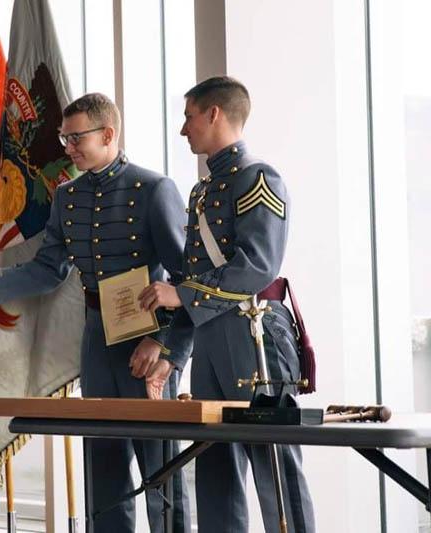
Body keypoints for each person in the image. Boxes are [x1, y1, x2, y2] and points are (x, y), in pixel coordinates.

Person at [0, 93, 190, 533]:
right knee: (103, 464)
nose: (67, 148)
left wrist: (167, 346)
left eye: (76, 138)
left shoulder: (153, 189)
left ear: (108, 135)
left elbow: (187, 282)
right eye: (64, 137)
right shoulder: (68, 196)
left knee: (161, 468)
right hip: (96, 338)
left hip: (146, 338)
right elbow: (47, 269)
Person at [139, 76, 316, 532]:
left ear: (214, 113)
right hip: (212, 340)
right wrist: (172, 353)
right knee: (214, 470)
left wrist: (182, 295)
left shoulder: (259, 178)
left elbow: (258, 265)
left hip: (255, 337)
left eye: (189, 117)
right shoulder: (203, 191)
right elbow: (197, 279)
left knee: (274, 470)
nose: (183, 130)